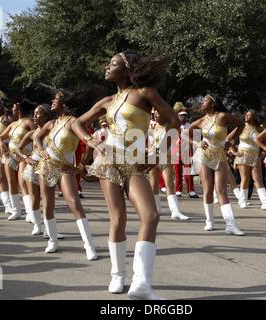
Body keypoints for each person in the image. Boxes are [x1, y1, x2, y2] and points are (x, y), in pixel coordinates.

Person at [73, 50, 179, 299]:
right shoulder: (107, 101)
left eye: (113, 64)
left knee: (151, 215)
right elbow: (77, 123)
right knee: (118, 218)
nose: (107, 67)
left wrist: (156, 156)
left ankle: (141, 284)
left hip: (134, 164)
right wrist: (92, 142)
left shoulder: (145, 93)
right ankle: (118, 275)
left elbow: (173, 121)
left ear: (127, 68)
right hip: (108, 160)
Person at [35, 91, 97, 260]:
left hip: (65, 168)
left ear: (64, 103)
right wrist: (40, 150)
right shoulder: (51, 123)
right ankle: (53, 240)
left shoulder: (72, 122)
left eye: (55, 99)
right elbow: (37, 137)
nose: (52, 101)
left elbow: (88, 142)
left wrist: (81, 167)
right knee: (47, 204)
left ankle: (89, 245)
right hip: (46, 166)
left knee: (73, 202)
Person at [187, 95, 245, 235]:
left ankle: (230, 225)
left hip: (219, 155)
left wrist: (230, 142)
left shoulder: (223, 116)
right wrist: (197, 143)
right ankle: (209, 221)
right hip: (203, 156)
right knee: (208, 189)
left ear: (213, 103)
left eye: (205, 100)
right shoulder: (201, 121)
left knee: (221, 190)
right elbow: (184, 134)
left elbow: (240, 125)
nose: (202, 103)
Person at [16, 104, 55, 236]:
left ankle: (49, 230)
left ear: (46, 116)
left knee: (48, 199)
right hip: (32, 168)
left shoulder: (52, 130)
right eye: (34, 113)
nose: (34, 116)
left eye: (38, 114)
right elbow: (18, 148)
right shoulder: (32, 133)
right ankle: (38, 225)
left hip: (48, 168)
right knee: (35, 198)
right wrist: (25, 158)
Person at [0, 100, 36, 221]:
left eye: (13, 107)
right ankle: (16, 210)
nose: (12, 110)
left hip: (24, 155)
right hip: (11, 156)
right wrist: (2, 145)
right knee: (11, 182)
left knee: (23, 182)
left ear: (19, 109)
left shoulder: (29, 121)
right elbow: (0, 137)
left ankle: (30, 212)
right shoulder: (13, 124)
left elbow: (37, 135)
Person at [149, 109, 189, 220]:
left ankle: (175, 211)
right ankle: (156, 209)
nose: (156, 116)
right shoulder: (150, 126)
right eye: (154, 114)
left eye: (158, 114)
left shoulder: (170, 125)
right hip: (152, 157)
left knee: (169, 183)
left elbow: (180, 137)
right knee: (153, 185)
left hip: (165, 157)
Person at [231, 110, 266, 210]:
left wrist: (263, 153)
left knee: (258, 179)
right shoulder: (241, 127)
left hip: (255, 155)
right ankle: (243, 201)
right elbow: (228, 139)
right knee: (245, 178)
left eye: (250, 115)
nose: (247, 117)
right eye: (246, 115)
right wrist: (234, 152)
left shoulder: (259, 128)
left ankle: (265, 203)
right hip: (243, 155)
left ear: (254, 117)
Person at [174, 107, 199, 198]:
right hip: (176, 150)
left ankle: (191, 190)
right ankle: (178, 190)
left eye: (185, 116)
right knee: (178, 172)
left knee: (188, 171)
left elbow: (195, 138)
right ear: (178, 117)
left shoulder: (190, 126)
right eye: (181, 116)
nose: (183, 118)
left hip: (187, 150)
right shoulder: (174, 125)